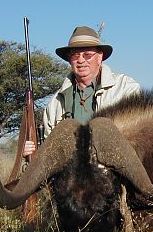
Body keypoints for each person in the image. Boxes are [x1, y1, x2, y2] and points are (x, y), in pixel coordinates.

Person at [23, 26, 141, 157]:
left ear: (100, 57)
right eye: (75, 55)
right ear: (69, 59)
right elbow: (49, 150)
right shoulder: (55, 102)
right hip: (70, 172)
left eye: (87, 55)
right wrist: (33, 153)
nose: (80, 60)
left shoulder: (126, 89)